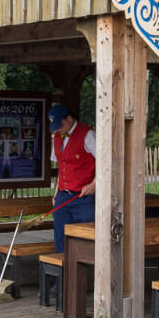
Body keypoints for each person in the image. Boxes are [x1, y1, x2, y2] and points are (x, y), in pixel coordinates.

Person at [49, 103, 97, 253]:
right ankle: (64, 267)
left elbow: (106, 162)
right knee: (61, 239)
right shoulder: (57, 137)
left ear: (69, 119)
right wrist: (56, 194)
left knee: (85, 239)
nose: (58, 129)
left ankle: (87, 268)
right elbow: (61, 167)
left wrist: (94, 185)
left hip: (83, 197)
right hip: (63, 196)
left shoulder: (88, 134)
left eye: (60, 125)